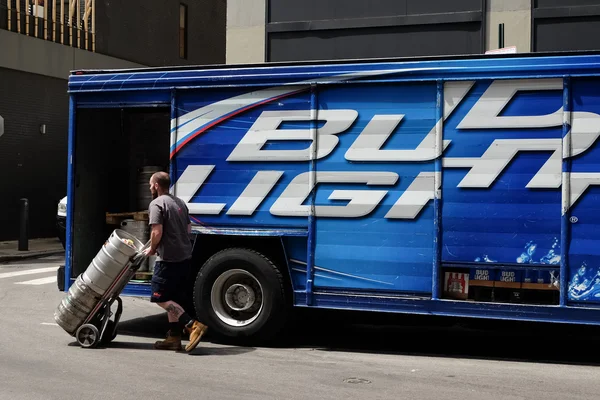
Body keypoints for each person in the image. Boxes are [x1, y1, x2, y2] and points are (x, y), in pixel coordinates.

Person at [143, 171, 208, 352]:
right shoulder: (179, 203)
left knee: (160, 297)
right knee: (175, 298)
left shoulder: (157, 203)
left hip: (168, 259)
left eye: (150, 184)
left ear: (156, 185)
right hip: (184, 257)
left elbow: (156, 232)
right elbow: (188, 227)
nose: (150, 187)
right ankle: (174, 337)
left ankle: (192, 324)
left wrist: (153, 248)